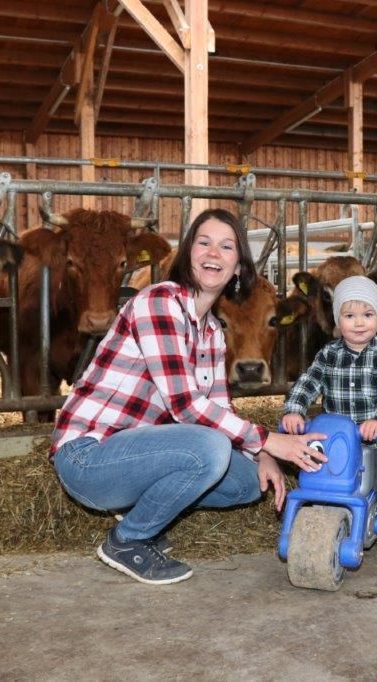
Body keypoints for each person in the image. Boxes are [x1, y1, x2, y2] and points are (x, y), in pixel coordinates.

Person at [51, 208, 328, 586]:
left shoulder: (212, 330)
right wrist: (272, 440)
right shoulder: (160, 303)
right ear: (187, 254)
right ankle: (128, 539)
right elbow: (187, 407)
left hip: (139, 455)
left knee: (247, 482)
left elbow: (217, 406)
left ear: (238, 267)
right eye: (204, 243)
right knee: (210, 449)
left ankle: (138, 507)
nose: (214, 254)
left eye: (227, 247)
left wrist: (261, 454)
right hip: (88, 457)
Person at [281, 275, 377, 567]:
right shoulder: (328, 355)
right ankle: (314, 525)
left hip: (373, 442)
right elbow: (308, 382)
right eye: (349, 315)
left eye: (367, 315)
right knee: (317, 480)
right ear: (336, 320)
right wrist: (294, 409)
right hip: (337, 442)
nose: (359, 323)